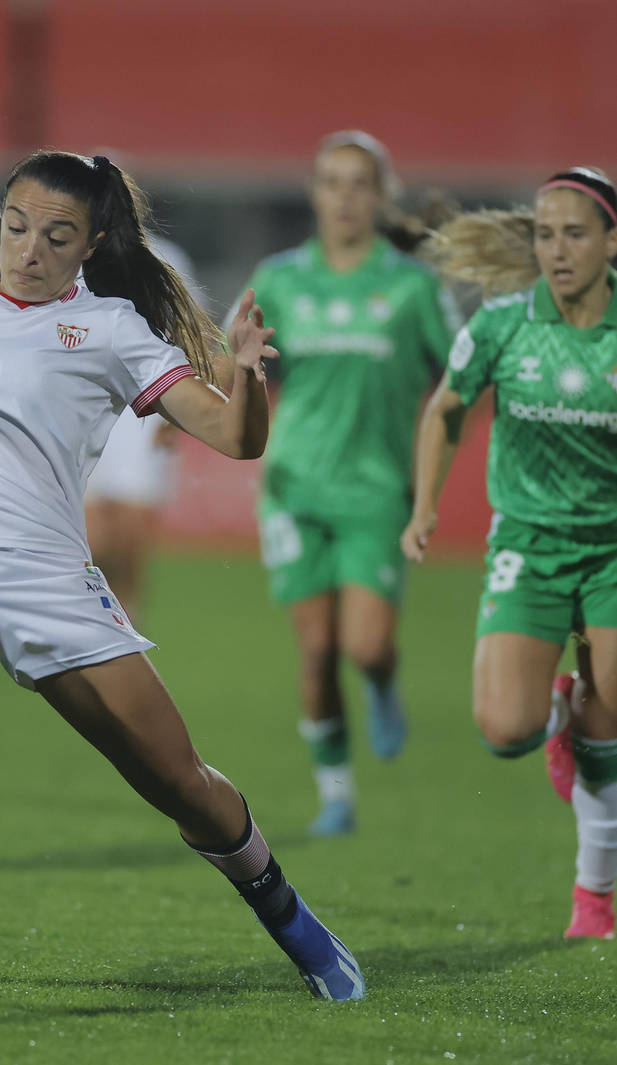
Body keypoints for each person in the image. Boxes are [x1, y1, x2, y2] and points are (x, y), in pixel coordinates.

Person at [0, 151, 365, 1000]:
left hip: (48, 582)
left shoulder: (112, 330)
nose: (29, 249)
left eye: (56, 237)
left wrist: (244, 372)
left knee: (181, 782)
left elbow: (237, 439)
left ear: (91, 243)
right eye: (17, 225)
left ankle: (297, 924)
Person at [403, 167, 617, 939]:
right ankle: (550, 711)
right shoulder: (502, 324)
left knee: (607, 741)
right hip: (529, 543)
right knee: (503, 730)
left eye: (575, 233)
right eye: (545, 234)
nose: (557, 249)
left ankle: (595, 900)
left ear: (612, 241)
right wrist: (422, 505)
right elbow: (446, 405)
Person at [236, 132, 461, 836]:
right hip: (294, 488)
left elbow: (461, 376)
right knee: (316, 648)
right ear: (314, 192)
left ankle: (384, 682)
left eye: (360, 184)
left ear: (381, 196)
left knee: (364, 645)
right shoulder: (277, 279)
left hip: (375, 491)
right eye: (332, 182)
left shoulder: (411, 286)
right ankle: (335, 791)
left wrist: (431, 470)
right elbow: (231, 364)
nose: (345, 197)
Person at [82, 233, 197, 624]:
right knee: (91, 539)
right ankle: (94, 626)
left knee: (130, 533)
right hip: (80, 402)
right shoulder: (60, 252)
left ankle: (128, 627)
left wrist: (182, 408)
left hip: (146, 402)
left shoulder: (166, 257)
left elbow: (190, 333)